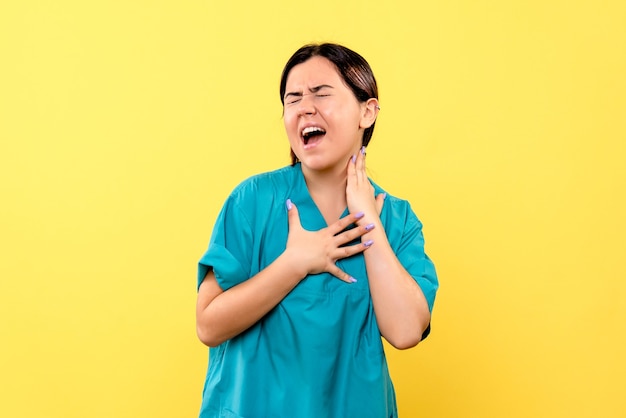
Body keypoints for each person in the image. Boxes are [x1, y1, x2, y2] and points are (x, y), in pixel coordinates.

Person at [195, 43, 438, 418]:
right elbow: (209, 324)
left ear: (367, 112)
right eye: (293, 99)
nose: (305, 107)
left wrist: (366, 221)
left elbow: (405, 331)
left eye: (322, 93)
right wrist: (295, 263)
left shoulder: (396, 219)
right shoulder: (252, 201)